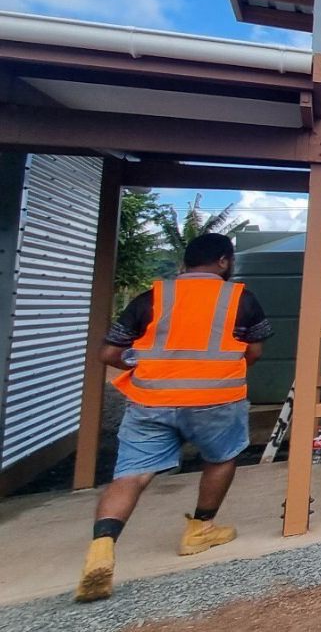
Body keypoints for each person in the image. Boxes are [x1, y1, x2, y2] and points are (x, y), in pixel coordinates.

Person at [75, 233, 272, 603]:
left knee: (130, 475)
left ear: (186, 263)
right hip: (216, 398)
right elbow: (255, 350)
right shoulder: (239, 297)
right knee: (221, 457)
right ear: (224, 262)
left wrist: (146, 364)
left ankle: (101, 546)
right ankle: (200, 529)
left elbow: (109, 353)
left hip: (152, 399)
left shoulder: (153, 296)